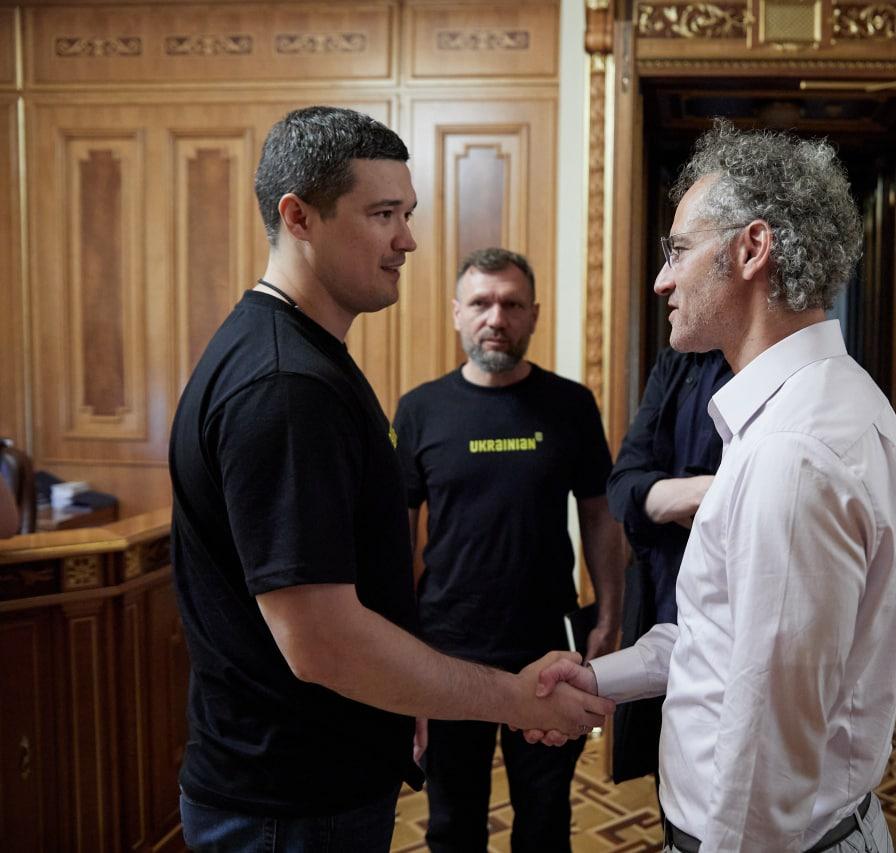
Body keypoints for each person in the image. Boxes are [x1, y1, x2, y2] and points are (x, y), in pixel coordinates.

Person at [169, 107, 610, 853]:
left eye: (407, 214)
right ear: (298, 218)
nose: (407, 239)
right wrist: (511, 698)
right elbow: (323, 642)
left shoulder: (304, 358)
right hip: (288, 806)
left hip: (309, 786)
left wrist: (405, 693)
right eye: (383, 215)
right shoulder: (285, 386)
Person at [534, 121, 896, 852]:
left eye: (679, 250)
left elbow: (767, 759)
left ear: (751, 248)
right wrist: (597, 678)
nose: (662, 279)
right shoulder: (802, 410)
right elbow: (720, 637)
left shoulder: (793, 451)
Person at [392, 247, 624, 852]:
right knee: (453, 824)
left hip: (548, 650)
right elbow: (396, 536)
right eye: (481, 303)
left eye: (512, 304)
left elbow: (599, 515)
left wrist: (609, 615)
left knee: (544, 822)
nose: (496, 318)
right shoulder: (419, 410)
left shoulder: (572, 405)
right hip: (447, 650)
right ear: (457, 313)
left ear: (534, 315)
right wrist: (400, 642)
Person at [605, 347, 730, 783]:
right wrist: (705, 491)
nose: (671, 315)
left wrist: (663, 498)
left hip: (735, 641)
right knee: (670, 777)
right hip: (664, 607)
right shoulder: (676, 365)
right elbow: (623, 488)